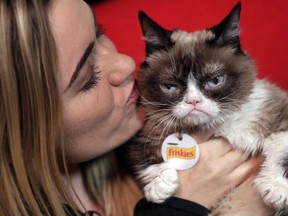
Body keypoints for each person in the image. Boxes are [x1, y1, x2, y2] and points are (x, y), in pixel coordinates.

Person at [0, 0, 263, 215]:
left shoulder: (150, 137)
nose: (127, 64)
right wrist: (179, 207)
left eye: (100, 34)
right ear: (18, 131)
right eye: (87, 78)